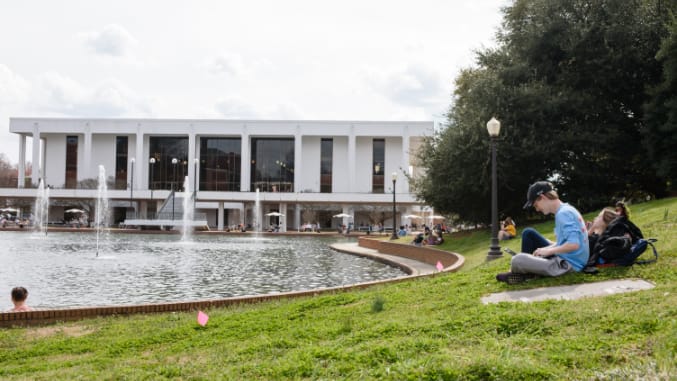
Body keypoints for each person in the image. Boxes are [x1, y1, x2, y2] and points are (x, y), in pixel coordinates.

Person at [496, 181, 589, 284]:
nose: (537, 209)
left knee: (517, 260)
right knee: (529, 233)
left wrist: (548, 251)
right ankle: (527, 271)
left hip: (568, 264)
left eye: (536, 205)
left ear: (543, 197)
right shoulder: (566, 209)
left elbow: (574, 244)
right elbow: (568, 242)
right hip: (571, 258)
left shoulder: (563, 214)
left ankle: (525, 273)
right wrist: (546, 248)